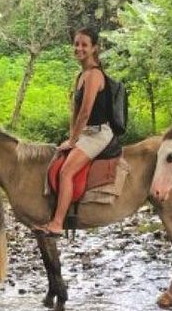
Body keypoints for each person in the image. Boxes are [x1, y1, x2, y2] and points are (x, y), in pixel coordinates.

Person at [34, 27, 115, 236]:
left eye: (84, 45)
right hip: (85, 133)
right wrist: (71, 137)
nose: (79, 48)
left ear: (94, 48)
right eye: (76, 44)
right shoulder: (81, 75)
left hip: (98, 133)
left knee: (67, 171)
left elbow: (86, 112)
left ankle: (58, 223)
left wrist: (73, 141)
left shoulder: (94, 75)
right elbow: (75, 113)